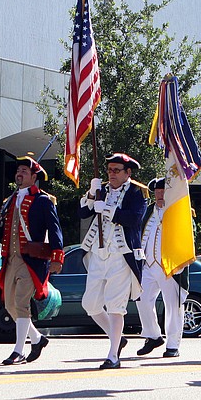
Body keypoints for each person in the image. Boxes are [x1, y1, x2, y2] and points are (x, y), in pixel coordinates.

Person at [0, 156, 64, 365]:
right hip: (10, 258)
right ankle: (37, 339)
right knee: (9, 305)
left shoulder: (43, 200)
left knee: (21, 303)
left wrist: (57, 257)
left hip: (31, 260)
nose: (20, 174)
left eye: (25, 171)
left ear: (34, 177)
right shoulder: (10, 200)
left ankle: (18, 351)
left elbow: (55, 230)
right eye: (19, 170)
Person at [78, 153, 148, 369]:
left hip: (121, 256)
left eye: (117, 170)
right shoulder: (101, 191)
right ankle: (117, 337)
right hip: (98, 254)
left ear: (128, 173)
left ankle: (113, 355)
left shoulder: (138, 193)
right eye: (110, 170)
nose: (112, 174)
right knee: (89, 304)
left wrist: (108, 210)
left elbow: (134, 219)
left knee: (116, 306)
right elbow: (81, 213)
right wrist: (91, 192)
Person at [137, 177, 188, 358]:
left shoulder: (179, 210)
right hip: (148, 264)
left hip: (170, 266)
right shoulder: (149, 211)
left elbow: (189, 235)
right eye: (157, 191)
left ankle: (173, 344)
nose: (159, 194)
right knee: (141, 299)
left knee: (173, 306)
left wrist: (182, 260)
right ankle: (153, 335)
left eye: (163, 191)